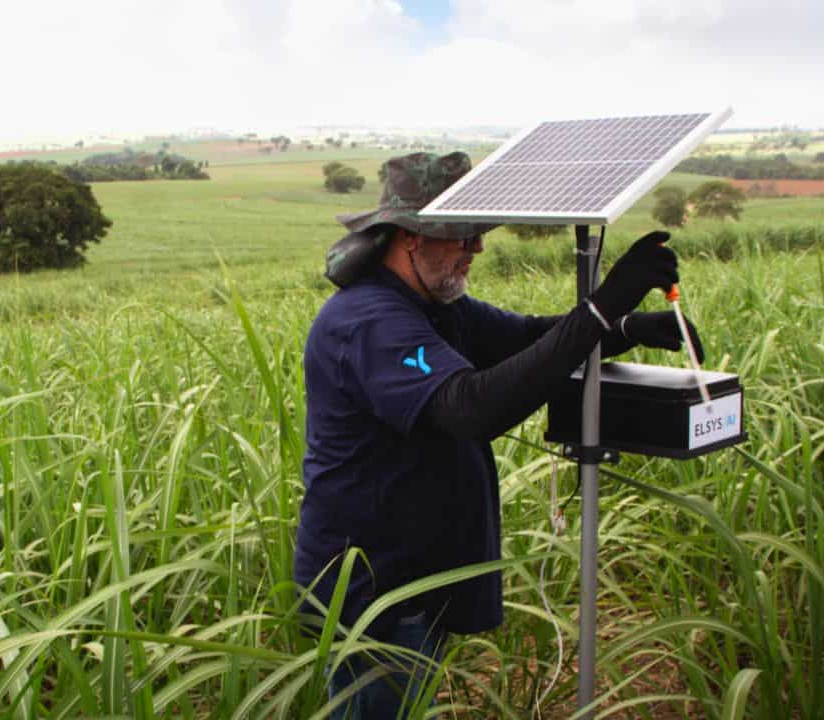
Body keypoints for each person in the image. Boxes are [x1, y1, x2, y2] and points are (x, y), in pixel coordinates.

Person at [296, 152, 704, 719]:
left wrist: (626, 327)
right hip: (375, 590)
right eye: (464, 235)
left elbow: (531, 340)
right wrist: (605, 305)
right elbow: (472, 409)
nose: (478, 249)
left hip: (420, 576)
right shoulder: (369, 320)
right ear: (412, 238)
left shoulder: (435, 304)